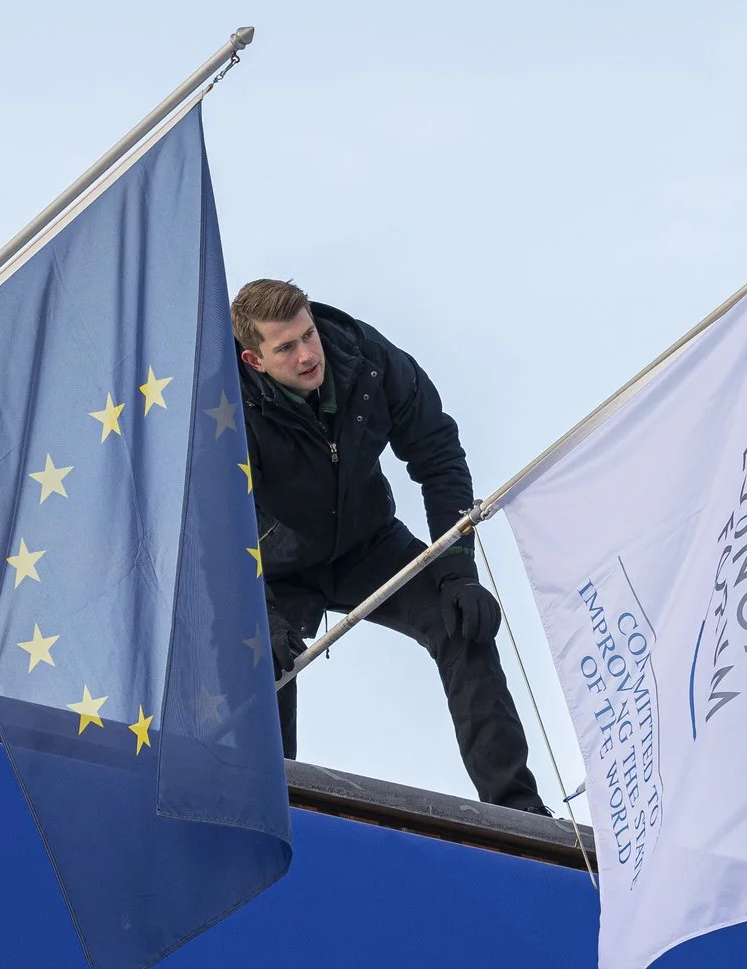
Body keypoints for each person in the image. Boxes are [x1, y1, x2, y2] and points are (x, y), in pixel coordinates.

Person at [230, 278, 549, 815]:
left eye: (309, 335)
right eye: (286, 347)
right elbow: (216, 520)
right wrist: (259, 612)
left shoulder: (368, 360)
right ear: (254, 360)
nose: (309, 355)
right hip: (271, 567)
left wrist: (457, 572)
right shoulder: (225, 405)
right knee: (256, 660)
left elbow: (438, 455)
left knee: (460, 620)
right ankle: (269, 813)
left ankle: (520, 811)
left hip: (368, 544)